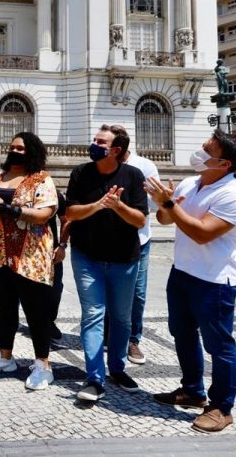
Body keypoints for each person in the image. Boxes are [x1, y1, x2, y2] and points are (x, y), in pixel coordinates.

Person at [145, 130, 236, 434]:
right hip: (183, 273)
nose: (201, 151)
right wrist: (164, 203)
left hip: (215, 280)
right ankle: (192, 390)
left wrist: (170, 204)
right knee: (182, 333)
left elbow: (202, 232)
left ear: (224, 163)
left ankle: (222, 407)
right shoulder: (191, 183)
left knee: (219, 345)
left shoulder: (234, 196)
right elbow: (167, 220)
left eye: (208, 149)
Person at [66, 124, 148, 403]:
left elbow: (140, 220)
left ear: (116, 150)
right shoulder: (81, 173)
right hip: (86, 257)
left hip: (124, 259)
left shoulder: (133, 176)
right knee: (93, 315)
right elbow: (71, 212)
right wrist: (98, 205)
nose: (94, 144)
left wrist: (118, 206)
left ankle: (118, 369)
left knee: (122, 318)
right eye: (95, 140)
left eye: (100, 141)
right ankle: (94, 379)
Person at [0, 132, 59, 390]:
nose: (15, 151)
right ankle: (4, 355)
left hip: (30, 254)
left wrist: (12, 210)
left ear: (31, 151)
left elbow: (45, 213)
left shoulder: (41, 179)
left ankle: (43, 364)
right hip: (0, 251)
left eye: (20, 148)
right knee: (6, 305)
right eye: (12, 147)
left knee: (36, 310)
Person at [102, 133, 160, 365]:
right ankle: (109, 336)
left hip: (138, 240)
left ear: (118, 148)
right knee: (105, 292)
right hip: (107, 239)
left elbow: (154, 204)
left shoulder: (144, 166)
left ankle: (132, 339)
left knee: (136, 293)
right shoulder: (100, 167)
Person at [48, 191, 69, 343]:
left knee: (55, 289)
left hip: (51, 250)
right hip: (24, 251)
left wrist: (62, 245)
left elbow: (65, 220)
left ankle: (49, 321)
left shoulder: (55, 194)